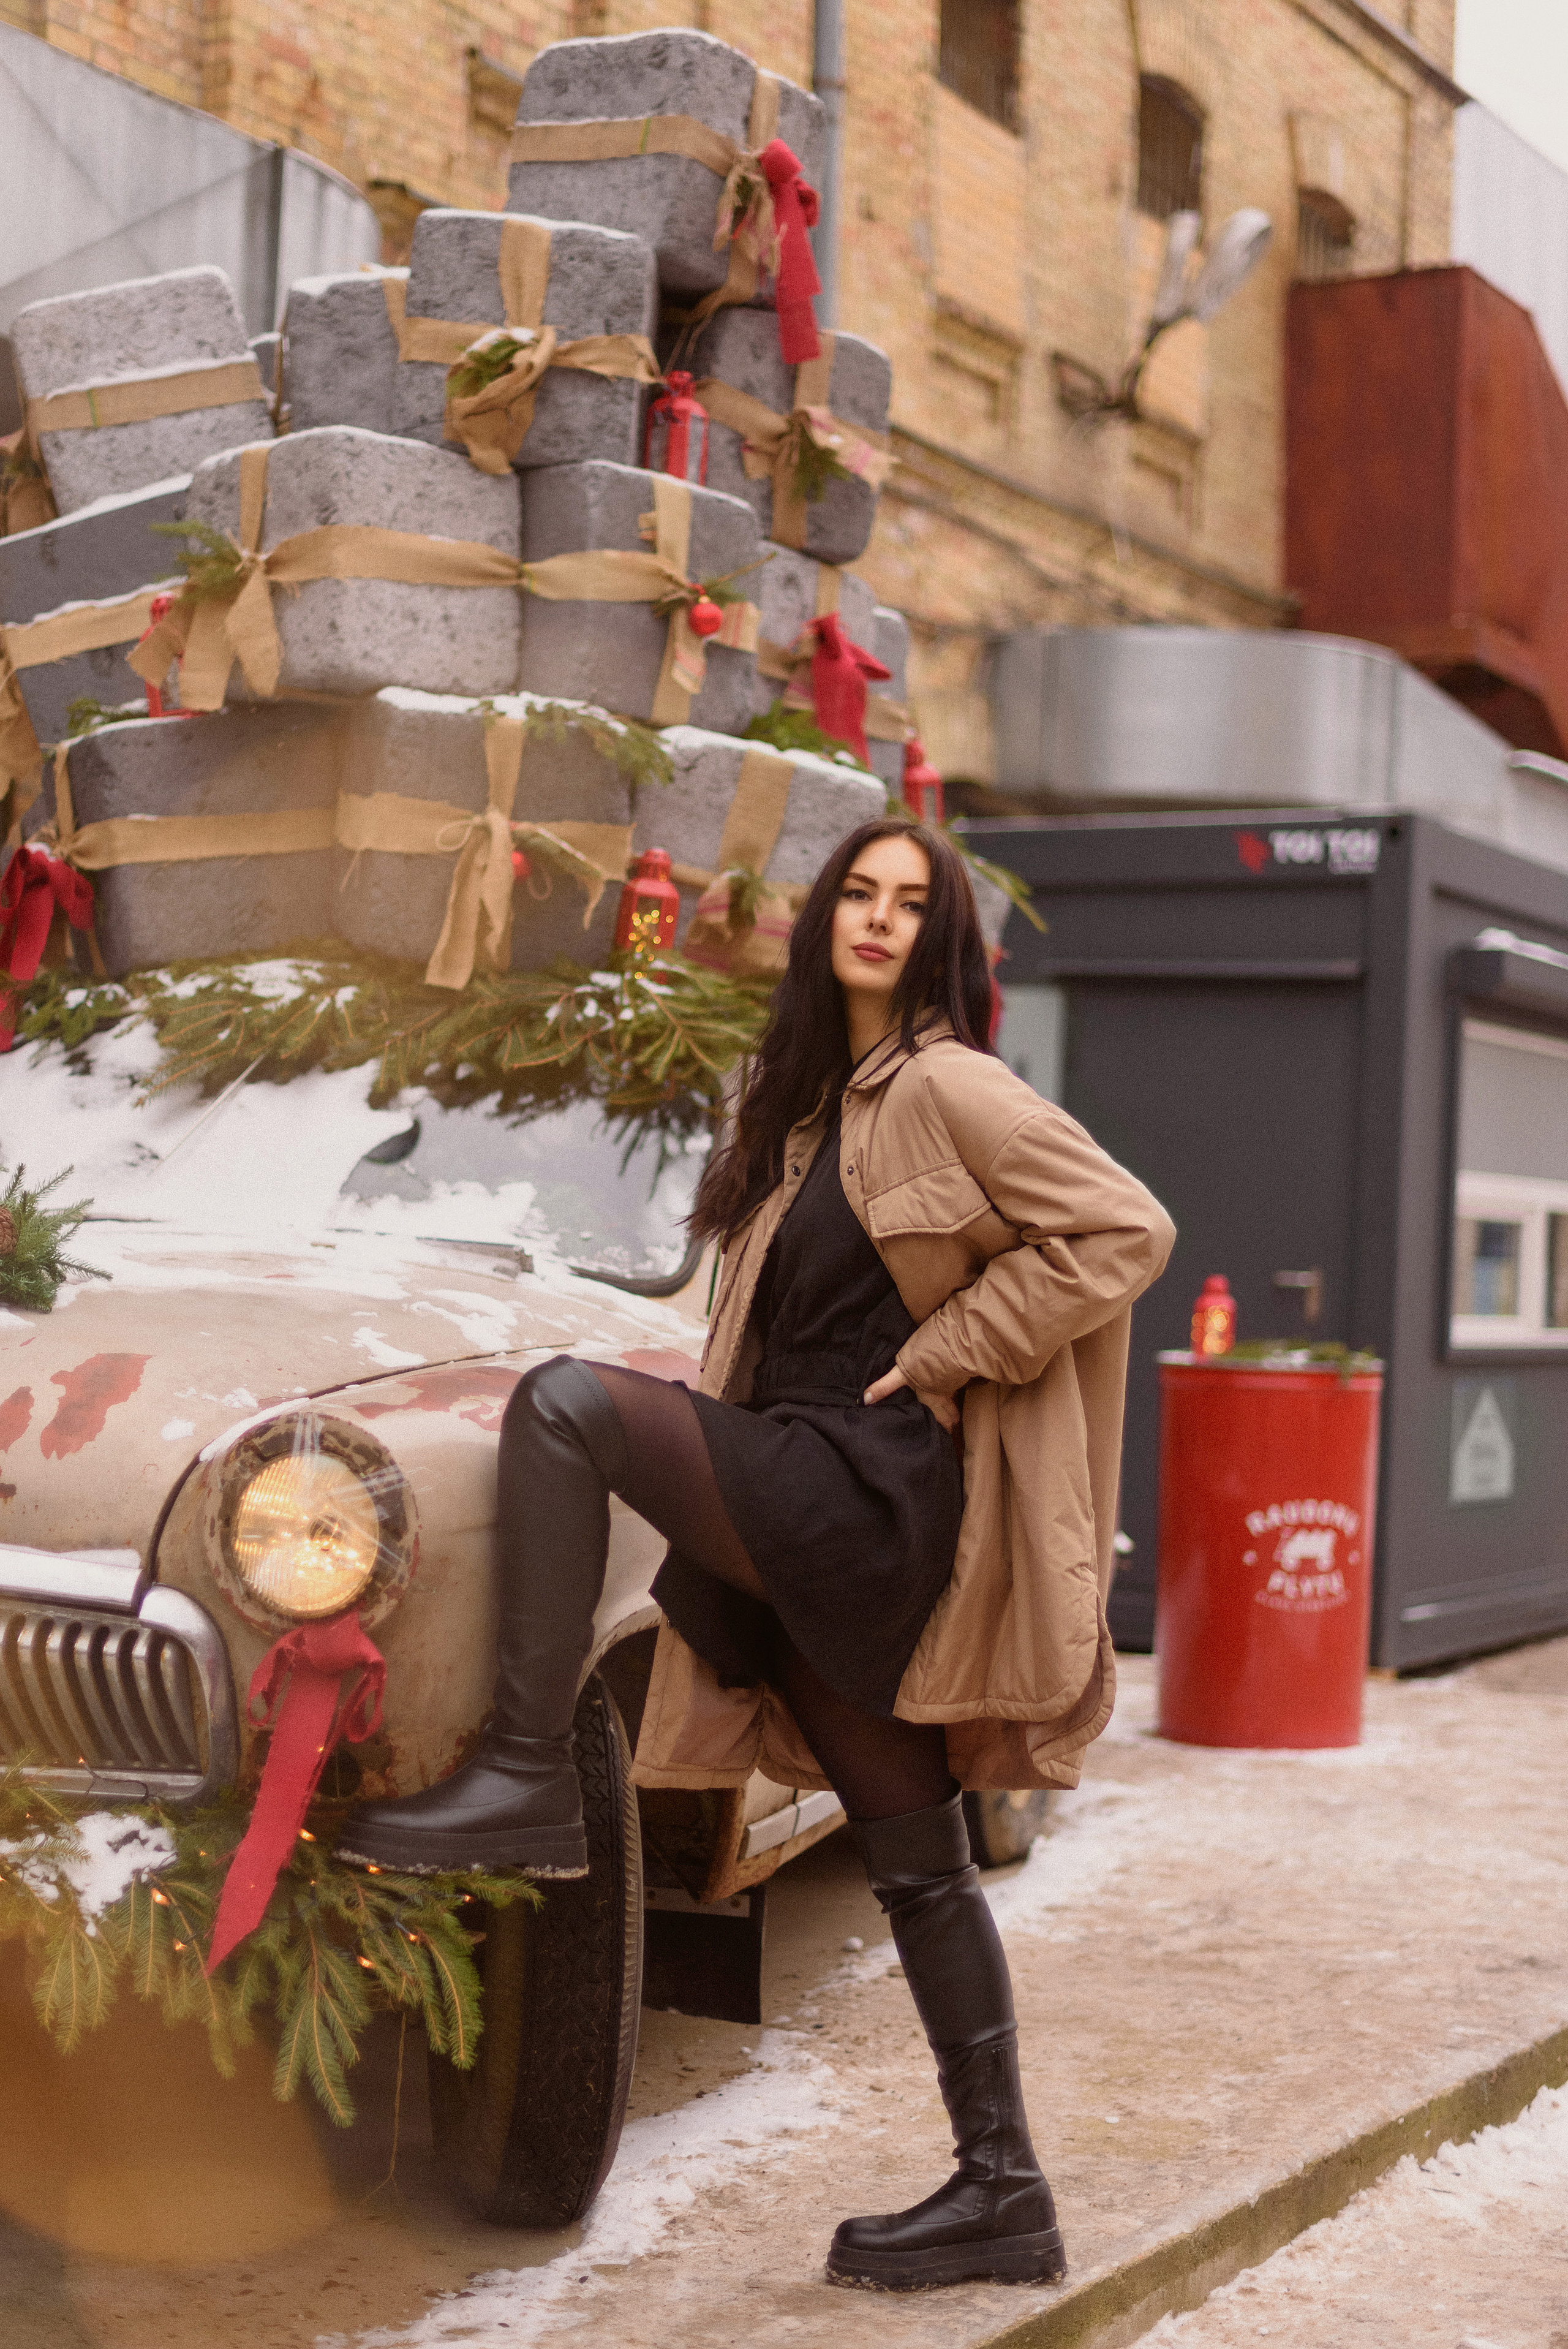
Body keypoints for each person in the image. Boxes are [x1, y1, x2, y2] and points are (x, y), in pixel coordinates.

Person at [342, 818, 1175, 2291]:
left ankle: (526, 1772)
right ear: (824, 921)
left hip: (861, 1483)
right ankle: (1004, 2189)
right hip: (806, 1489)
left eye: (910, 902)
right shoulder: (807, 1114)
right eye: (856, 891)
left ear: (944, 937)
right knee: (918, 1862)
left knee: (569, 1405)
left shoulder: (951, 1089)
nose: (877, 917)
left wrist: (946, 1348)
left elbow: (1123, 1226)